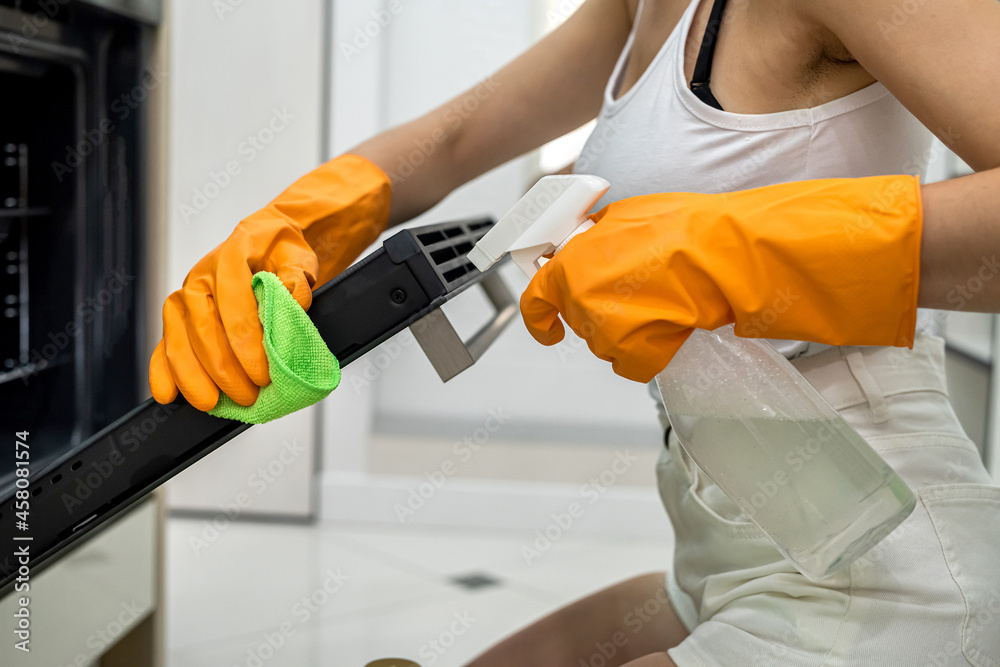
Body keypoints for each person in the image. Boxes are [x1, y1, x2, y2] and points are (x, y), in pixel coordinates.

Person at [150, 0, 1000, 664]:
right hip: (728, 543)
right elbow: (457, 133)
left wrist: (742, 249)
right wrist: (314, 212)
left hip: (877, 563)